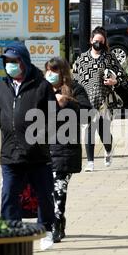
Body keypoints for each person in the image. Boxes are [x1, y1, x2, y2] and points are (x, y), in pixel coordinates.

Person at [0, 42, 57, 250]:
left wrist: (41, 140)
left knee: (44, 194)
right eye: (7, 62)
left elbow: (53, 118)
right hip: (10, 154)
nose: (9, 65)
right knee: (8, 194)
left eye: (13, 61)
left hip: (37, 155)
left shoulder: (42, 86)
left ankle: (46, 230)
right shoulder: (1, 87)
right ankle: (11, 233)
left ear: (23, 62)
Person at [73, 26, 128, 172]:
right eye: (95, 41)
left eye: (101, 41)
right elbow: (75, 79)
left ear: (104, 41)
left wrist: (115, 82)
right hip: (87, 100)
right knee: (89, 128)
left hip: (105, 100)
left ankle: (108, 149)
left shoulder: (109, 58)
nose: (98, 43)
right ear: (90, 41)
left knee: (103, 130)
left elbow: (122, 76)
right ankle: (90, 162)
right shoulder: (82, 59)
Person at [45, 57, 92, 242]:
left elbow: (87, 113)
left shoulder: (75, 89)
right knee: (47, 190)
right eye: (48, 70)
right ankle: (56, 218)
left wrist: (68, 103)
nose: (50, 74)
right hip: (44, 148)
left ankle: (56, 220)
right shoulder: (42, 89)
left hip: (65, 148)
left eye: (54, 71)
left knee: (59, 186)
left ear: (63, 73)